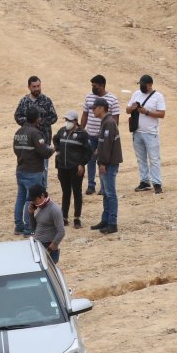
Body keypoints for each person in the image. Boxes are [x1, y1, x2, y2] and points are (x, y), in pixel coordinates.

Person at [12, 108, 53, 236]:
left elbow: (16, 150)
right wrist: (52, 149)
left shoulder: (19, 132)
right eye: (39, 117)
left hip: (21, 169)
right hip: (33, 171)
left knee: (20, 198)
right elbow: (44, 152)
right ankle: (28, 228)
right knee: (30, 200)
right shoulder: (36, 133)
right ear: (37, 119)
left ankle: (18, 226)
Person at [80, 74, 121, 195]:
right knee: (90, 160)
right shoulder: (89, 97)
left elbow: (115, 119)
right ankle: (91, 185)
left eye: (95, 86)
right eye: (92, 86)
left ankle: (103, 187)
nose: (93, 88)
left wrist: (111, 134)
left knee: (103, 160)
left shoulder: (112, 99)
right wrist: (82, 131)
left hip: (105, 136)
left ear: (102, 85)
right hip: (91, 134)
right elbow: (85, 115)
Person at [126, 74, 167, 193]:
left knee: (154, 159)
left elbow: (162, 114)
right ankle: (144, 181)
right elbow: (127, 110)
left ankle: (157, 183)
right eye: (140, 84)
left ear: (150, 85)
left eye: (144, 85)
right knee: (141, 158)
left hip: (151, 132)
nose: (142, 87)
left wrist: (146, 112)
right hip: (137, 131)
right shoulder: (136, 94)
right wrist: (132, 108)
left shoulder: (158, 97)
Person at [13, 76, 57, 183]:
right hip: (27, 141)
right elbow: (17, 116)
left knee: (44, 169)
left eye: (38, 86)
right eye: (34, 87)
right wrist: (29, 122)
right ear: (29, 87)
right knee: (29, 168)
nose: (37, 88)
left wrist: (42, 122)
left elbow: (54, 117)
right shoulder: (24, 101)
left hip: (44, 140)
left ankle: (42, 192)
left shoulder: (46, 100)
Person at [53, 110, 90, 228]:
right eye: (66, 120)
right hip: (62, 168)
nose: (67, 122)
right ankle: (64, 217)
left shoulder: (82, 134)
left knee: (77, 193)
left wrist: (82, 164)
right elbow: (55, 139)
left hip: (75, 168)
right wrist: (58, 150)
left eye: (69, 120)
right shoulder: (62, 131)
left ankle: (77, 218)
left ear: (75, 121)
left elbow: (88, 151)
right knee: (66, 193)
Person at [91, 98, 122, 234]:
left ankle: (112, 223)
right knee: (106, 193)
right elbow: (104, 143)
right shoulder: (106, 122)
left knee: (110, 193)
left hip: (108, 164)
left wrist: (103, 162)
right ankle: (106, 220)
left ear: (102, 108)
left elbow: (108, 145)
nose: (93, 110)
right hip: (105, 162)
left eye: (95, 108)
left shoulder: (109, 123)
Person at [28, 185, 65, 264]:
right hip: (39, 245)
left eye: (35, 200)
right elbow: (34, 229)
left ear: (42, 196)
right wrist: (31, 214)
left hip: (48, 248)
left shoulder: (54, 209)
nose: (33, 202)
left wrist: (49, 250)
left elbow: (61, 232)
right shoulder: (39, 207)